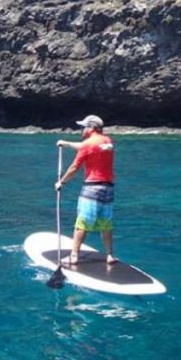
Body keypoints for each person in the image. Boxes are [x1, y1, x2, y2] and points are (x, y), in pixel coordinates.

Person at [55, 114, 117, 266]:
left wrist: (61, 182)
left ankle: (74, 256)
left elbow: (75, 167)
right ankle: (109, 255)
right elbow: (88, 146)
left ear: (91, 128)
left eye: (83, 127)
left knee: (82, 223)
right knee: (106, 224)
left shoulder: (88, 144)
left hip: (92, 188)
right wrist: (66, 143)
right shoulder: (107, 141)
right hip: (108, 188)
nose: (81, 129)